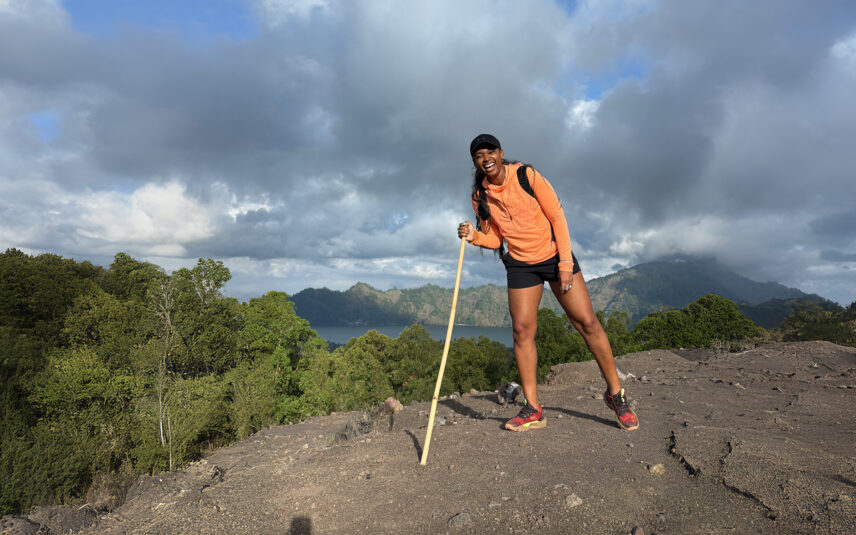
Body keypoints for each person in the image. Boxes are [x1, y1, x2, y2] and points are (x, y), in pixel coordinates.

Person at [458, 133, 639, 432]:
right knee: (521, 331)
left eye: (490, 152)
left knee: (587, 324)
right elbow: (495, 238)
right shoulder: (480, 196)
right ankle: (532, 409)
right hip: (520, 264)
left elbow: (557, 217)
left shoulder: (527, 176)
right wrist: (473, 236)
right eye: (479, 156)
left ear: (501, 153)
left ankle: (616, 395)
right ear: (475, 162)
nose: (485, 158)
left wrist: (565, 264)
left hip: (554, 256)